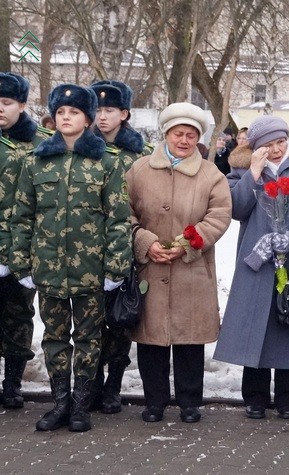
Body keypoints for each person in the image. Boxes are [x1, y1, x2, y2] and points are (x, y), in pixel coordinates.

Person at [11, 84, 130, 432]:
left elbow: (118, 219)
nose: (66, 118)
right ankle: (60, 402)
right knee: (54, 338)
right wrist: (21, 263)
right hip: (47, 269)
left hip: (90, 271)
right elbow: (21, 216)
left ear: (88, 118)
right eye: (61, 112)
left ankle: (81, 405)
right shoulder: (35, 163)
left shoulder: (105, 163)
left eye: (74, 112)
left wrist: (115, 267)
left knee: (90, 338)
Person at [213, 115, 289, 420]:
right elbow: (236, 209)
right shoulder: (241, 171)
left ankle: (288, 398)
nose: (277, 149)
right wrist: (252, 173)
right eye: (267, 145)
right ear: (255, 148)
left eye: (281, 141)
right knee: (258, 329)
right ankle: (254, 397)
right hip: (258, 264)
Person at [126, 102, 231, 424]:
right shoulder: (140, 170)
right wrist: (145, 241)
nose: (183, 140)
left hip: (191, 268)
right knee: (152, 340)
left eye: (190, 135)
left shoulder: (210, 174)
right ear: (166, 134)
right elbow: (123, 213)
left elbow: (219, 215)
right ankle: (154, 401)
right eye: (177, 134)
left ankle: (189, 402)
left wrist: (187, 243)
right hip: (150, 267)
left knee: (189, 341)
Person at [86, 79, 147, 415]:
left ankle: (114, 385)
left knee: (121, 319)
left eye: (109, 109)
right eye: (96, 109)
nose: (102, 116)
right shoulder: (82, 149)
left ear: (124, 113)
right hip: (89, 250)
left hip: (126, 247)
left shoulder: (141, 155)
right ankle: (93, 383)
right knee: (89, 321)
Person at [0, 72, 49, 410]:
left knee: (18, 314)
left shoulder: (39, 144)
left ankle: (13, 383)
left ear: (21, 105)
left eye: (5, 103)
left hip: (21, 244)